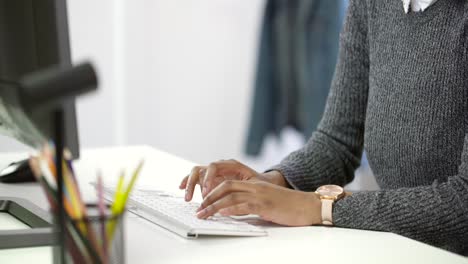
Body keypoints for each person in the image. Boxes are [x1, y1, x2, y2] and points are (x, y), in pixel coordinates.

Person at [179, 0, 468, 256]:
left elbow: (463, 202)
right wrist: (274, 182)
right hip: (406, 248)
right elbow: (337, 141)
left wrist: (320, 207)